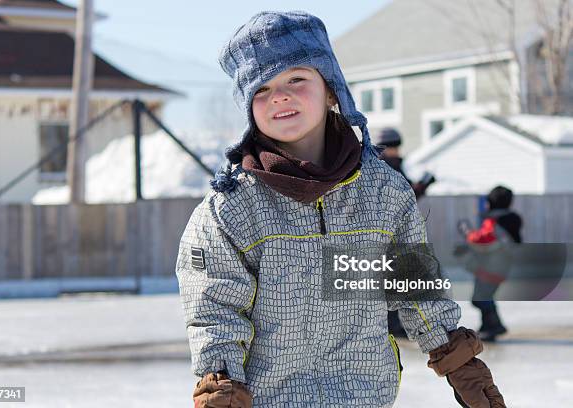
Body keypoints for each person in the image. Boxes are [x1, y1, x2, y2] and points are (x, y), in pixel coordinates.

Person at [176, 11, 505, 408]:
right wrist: (222, 390)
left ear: (331, 89)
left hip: (363, 394)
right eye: (261, 88)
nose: (279, 95)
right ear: (248, 106)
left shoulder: (382, 193)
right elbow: (215, 312)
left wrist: (460, 363)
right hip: (268, 399)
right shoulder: (232, 209)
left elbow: (416, 289)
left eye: (296, 79)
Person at [374, 128, 436, 338]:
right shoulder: (382, 167)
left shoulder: (392, 166)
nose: (395, 151)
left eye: (396, 147)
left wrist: (422, 186)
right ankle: (391, 324)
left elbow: (406, 197)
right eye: (391, 147)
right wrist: (421, 187)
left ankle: (395, 323)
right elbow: (402, 196)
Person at [459, 186, 523, 342]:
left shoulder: (495, 220)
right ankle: (488, 325)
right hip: (502, 267)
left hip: (490, 267)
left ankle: (494, 326)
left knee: (480, 298)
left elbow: (483, 238)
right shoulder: (512, 219)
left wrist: (467, 233)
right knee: (485, 296)